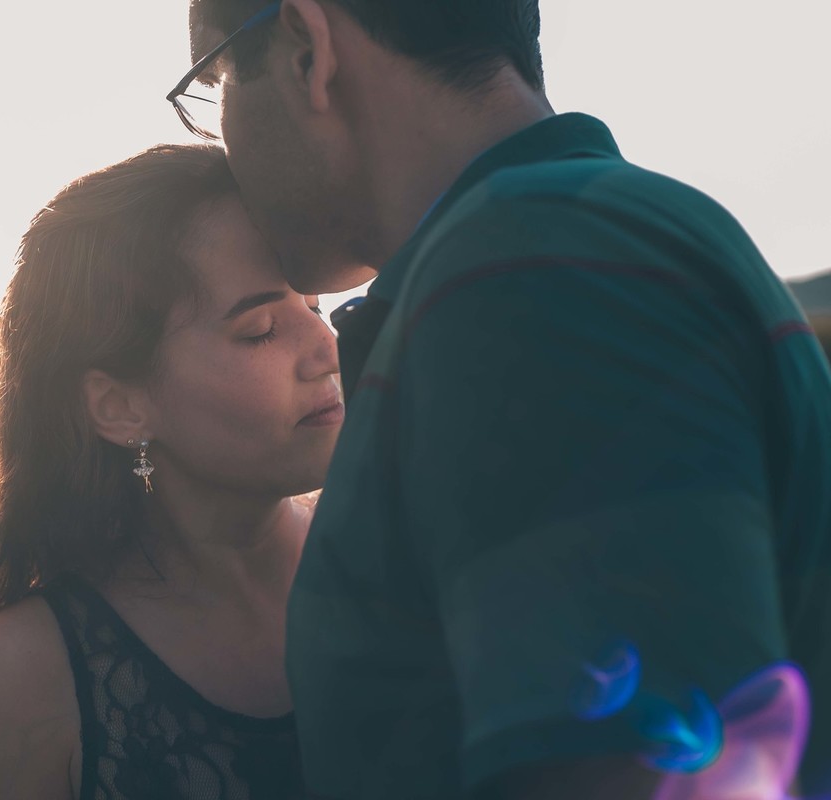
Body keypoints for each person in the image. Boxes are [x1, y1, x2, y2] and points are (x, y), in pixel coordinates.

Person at [171, 1, 831, 798]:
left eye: (214, 82)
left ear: (308, 51)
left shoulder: (526, 272)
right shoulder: (570, 239)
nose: (219, 142)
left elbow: (634, 775)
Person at [0, 144, 342, 800]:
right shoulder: (28, 676)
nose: (328, 348)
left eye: (316, 307)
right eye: (261, 329)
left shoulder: (404, 559)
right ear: (120, 407)